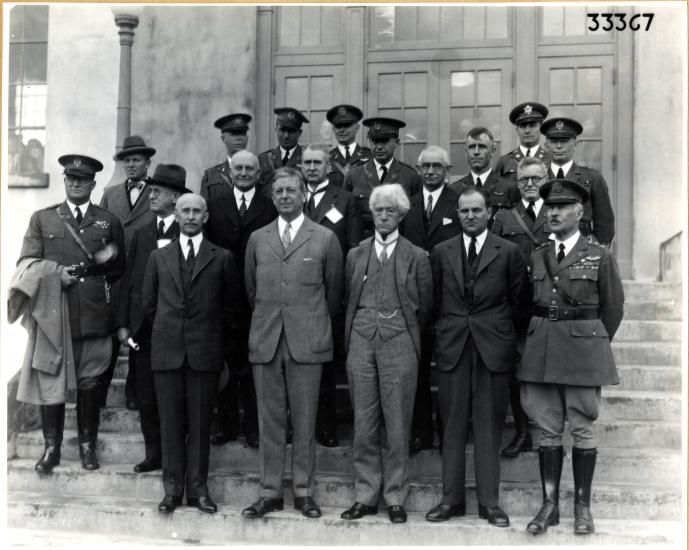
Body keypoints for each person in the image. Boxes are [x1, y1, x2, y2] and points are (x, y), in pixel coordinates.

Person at [518, 178, 624, 536]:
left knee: (581, 428)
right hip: (542, 351)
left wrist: (591, 341)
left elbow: (613, 309)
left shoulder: (599, 255)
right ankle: (549, 507)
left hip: (582, 352)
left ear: (580, 212)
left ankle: (582, 507)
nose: (554, 213)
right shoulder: (536, 255)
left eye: (562, 207)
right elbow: (525, 305)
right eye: (550, 207)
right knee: (547, 430)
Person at [13, 154, 125, 473]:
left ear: (93, 184)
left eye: (83, 179)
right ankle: (52, 448)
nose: (76, 183)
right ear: (64, 180)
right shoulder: (43, 218)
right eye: (71, 178)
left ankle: (87, 447)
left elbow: (118, 268)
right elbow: (25, 264)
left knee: (90, 383)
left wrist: (93, 283)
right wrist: (55, 274)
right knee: (52, 380)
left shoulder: (108, 221)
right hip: (52, 315)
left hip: (93, 314)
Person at [242, 168, 343, 519]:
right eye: (279, 191)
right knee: (269, 422)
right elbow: (251, 291)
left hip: (308, 341)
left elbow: (333, 294)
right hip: (267, 340)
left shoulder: (325, 238)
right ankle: (269, 491)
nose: (285, 196)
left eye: (291, 190)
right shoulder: (257, 239)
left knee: (305, 420)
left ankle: (304, 491)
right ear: (272, 196)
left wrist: (310, 324)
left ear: (304, 195)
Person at [426, 187, 530, 527]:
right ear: (457, 214)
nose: (470, 216)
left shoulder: (510, 252)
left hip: (492, 348)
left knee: (488, 427)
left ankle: (489, 503)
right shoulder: (440, 251)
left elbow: (520, 305)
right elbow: (434, 301)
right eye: (464, 211)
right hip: (453, 346)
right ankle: (451, 499)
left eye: (476, 210)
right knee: (452, 426)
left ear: (488, 213)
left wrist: (499, 335)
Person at [142, 191, 242, 515]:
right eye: (184, 210)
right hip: (167, 352)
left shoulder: (222, 257)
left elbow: (232, 309)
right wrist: (169, 331)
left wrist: (218, 349)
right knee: (170, 423)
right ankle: (172, 490)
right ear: (176, 213)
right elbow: (149, 304)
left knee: (200, 425)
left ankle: (198, 490)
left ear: (206, 217)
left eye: (196, 211)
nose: (189, 216)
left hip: (205, 353)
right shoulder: (159, 257)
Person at [340, 183, 432, 524]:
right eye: (378, 210)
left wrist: (400, 330)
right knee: (364, 424)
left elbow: (425, 307)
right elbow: (346, 300)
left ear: (401, 215)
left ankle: (395, 496)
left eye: (389, 211)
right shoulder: (356, 254)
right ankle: (365, 495)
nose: (382, 216)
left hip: (400, 342)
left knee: (397, 424)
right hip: (361, 342)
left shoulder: (417, 256)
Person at [115, 164, 190, 474]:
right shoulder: (143, 233)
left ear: (175, 198)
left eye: (158, 191)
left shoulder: (189, 230)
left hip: (176, 328)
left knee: (174, 395)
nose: (151, 194)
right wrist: (123, 324)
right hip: (143, 331)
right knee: (146, 396)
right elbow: (128, 279)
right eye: (151, 189)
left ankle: (176, 454)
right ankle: (153, 453)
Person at [205, 149, 277, 449]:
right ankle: (227, 424)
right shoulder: (214, 205)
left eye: (250, 169)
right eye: (239, 168)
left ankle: (253, 428)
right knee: (224, 360)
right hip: (222, 297)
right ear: (230, 172)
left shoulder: (270, 206)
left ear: (259, 174)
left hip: (257, 296)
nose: (244, 173)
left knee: (254, 365)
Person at [399, 145, 461, 454]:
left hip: (451, 298)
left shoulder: (459, 204)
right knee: (418, 371)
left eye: (438, 166)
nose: (431, 171)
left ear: (447, 171)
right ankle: (420, 432)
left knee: (449, 372)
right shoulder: (406, 206)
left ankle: (447, 435)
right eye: (426, 166)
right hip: (416, 301)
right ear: (419, 170)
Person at [302, 144, 363, 447]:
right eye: (307, 162)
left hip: (330, 294)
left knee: (326, 362)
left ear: (329, 167)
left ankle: (326, 426)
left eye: (318, 163)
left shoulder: (345, 200)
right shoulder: (291, 197)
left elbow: (352, 249)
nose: (312, 168)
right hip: (298, 293)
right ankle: (298, 425)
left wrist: (343, 296)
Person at [491, 156, 551, 459]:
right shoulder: (503, 218)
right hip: (515, 305)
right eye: (524, 179)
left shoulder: (556, 213)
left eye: (536, 179)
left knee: (549, 367)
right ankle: (523, 432)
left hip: (549, 304)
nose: (530, 184)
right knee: (517, 369)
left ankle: (549, 432)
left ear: (546, 179)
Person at [100, 135, 157, 411]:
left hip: (145, 275)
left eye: (136, 160)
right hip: (115, 277)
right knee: (110, 334)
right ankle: (99, 391)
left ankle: (133, 389)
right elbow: (101, 231)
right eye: (127, 161)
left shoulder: (157, 193)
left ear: (148, 163)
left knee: (138, 333)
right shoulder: (111, 194)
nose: (131, 165)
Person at [541, 117, 616, 246]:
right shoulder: (537, 178)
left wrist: (596, 252)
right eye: (554, 141)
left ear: (575, 143)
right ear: (546, 145)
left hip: (580, 247)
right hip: (544, 246)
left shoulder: (592, 179)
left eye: (564, 141)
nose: (559, 146)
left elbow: (605, 223)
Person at [343, 117, 422, 238]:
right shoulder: (354, 174)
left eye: (384, 141)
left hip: (398, 242)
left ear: (396, 141)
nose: (379, 147)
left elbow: (416, 220)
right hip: (363, 244)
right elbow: (346, 215)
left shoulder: (410, 176)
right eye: (374, 141)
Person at [448, 127, 519, 224]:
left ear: (493, 151)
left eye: (482, 146)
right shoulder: (454, 190)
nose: (476, 152)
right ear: (466, 152)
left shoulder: (510, 189)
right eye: (472, 147)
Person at [200, 113, 252, 202]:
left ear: (247, 137)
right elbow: (204, 209)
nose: (239, 138)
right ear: (223, 138)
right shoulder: (211, 175)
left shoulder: (259, 172)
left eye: (242, 133)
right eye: (234, 134)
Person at [258, 107, 309, 196]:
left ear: (300, 132)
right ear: (276, 130)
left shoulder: (307, 158)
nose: (286, 135)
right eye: (282, 130)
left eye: (291, 131)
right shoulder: (263, 159)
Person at [494, 102, 551, 181]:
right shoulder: (505, 162)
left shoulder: (550, 160)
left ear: (540, 128)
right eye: (523, 126)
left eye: (532, 125)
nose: (527, 131)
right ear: (517, 130)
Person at [325, 104, 371, 188]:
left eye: (347, 125)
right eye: (338, 126)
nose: (342, 130)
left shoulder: (370, 156)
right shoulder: (327, 158)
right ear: (333, 129)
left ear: (357, 128)